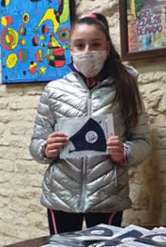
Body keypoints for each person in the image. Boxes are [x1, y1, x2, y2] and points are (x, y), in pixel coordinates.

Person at [29, 12, 151, 234]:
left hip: (108, 195)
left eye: (95, 44)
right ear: (70, 49)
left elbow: (142, 141)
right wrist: (46, 148)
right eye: (79, 45)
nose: (87, 51)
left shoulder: (125, 87)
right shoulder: (53, 90)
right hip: (61, 196)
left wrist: (124, 153)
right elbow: (36, 143)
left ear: (107, 47)